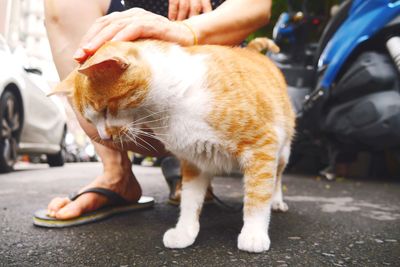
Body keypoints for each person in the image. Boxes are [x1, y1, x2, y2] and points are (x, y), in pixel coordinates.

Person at [37, 0, 271, 226]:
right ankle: (116, 173)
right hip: (133, 74)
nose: (104, 134)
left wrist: (186, 30)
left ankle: (192, 165)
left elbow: (259, 6)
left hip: (212, 78)